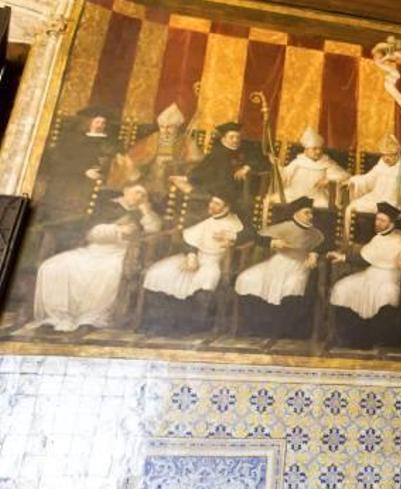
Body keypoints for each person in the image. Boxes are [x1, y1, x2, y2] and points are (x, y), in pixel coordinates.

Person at [31, 183, 161, 332]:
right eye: (137, 192)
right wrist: (117, 230)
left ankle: (90, 318)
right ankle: (57, 317)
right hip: (94, 248)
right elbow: (92, 234)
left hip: (122, 252)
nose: (140, 197)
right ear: (125, 191)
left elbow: (154, 230)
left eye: (143, 195)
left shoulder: (144, 211)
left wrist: (146, 212)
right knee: (54, 266)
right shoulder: (107, 207)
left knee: (108, 272)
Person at [141, 191, 244, 335]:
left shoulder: (234, 223)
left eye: (217, 204)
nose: (212, 206)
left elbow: (248, 236)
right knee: (158, 272)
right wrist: (191, 255)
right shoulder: (205, 219)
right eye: (211, 202)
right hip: (193, 258)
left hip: (213, 262)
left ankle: (187, 326)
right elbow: (189, 239)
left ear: (226, 208)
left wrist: (232, 237)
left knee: (204, 280)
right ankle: (159, 322)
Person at [234, 196, 325, 338]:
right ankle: (259, 327)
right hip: (277, 262)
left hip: (299, 265)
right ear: (296, 213)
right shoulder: (284, 226)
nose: (310, 216)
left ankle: (285, 330)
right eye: (306, 213)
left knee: (291, 286)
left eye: (311, 213)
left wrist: (314, 253)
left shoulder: (315, 233)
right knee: (247, 279)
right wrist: (272, 242)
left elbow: (325, 244)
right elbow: (256, 236)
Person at [328, 202, 401, 348]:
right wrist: (342, 258)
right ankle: (349, 337)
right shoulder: (377, 238)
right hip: (371, 274)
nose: (377, 223)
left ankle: (377, 339)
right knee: (342, 287)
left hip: (389, 277)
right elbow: (366, 257)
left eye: (382, 221)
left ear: (391, 223)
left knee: (385, 295)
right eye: (376, 219)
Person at [109, 103, 203, 194]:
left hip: (172, 180)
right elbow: (134, 157)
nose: (165, 131)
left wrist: (174, 164)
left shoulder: (188, 142)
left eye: (169, 128)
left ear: (177, 127)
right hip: (149, 178)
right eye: (162, 127)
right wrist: (128, 161)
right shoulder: (153, 138)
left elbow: (195, 165)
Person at [343, 133, 401, 221]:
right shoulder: (381, 165)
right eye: (384, 155)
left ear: (397, 154)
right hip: (375, 198)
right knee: (352, 207)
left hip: (393, 203)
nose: (386, 158)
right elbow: (368, 179)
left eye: (390, 155)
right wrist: (353, 181)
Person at [280, 127, 350, 209]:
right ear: (306, 150)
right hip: (294, 195)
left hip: (317, 198)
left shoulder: (326, 163)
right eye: (314, 149)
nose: (318, 152)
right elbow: (284, 176)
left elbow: (344, 176)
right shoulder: (297, 162)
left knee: (323, 207)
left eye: (320, 149)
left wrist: (328, 179)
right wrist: (277, 168)